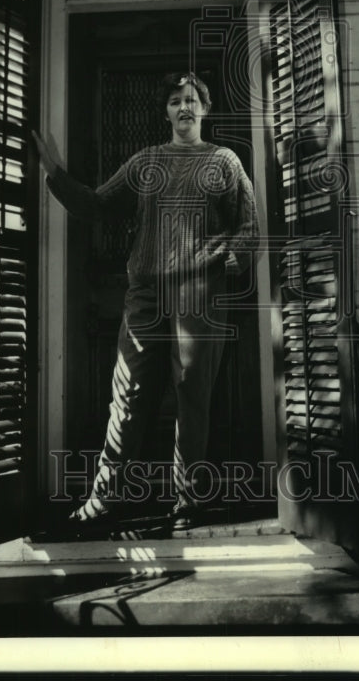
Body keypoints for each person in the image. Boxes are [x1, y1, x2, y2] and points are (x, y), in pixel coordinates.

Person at [31, 72, 259, 533]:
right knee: (129, 393)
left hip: (198, 292)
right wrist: (53, 172)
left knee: (192, 392)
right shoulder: (146, 161)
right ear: (166, 111)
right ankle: (103, 499)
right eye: (175, 100)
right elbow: (97, 203)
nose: (184, 107)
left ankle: (187, 500)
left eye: (193, 99)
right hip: (145, 294)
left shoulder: (225, 161)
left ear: (206, 109)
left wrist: (231, 258)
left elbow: (249, 224)